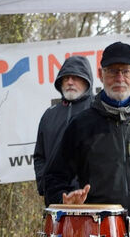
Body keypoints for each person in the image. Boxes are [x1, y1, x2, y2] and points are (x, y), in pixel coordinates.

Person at [41, 41, 130, 213]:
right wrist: (64, 201)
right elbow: (54, 178)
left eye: (126, 71)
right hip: (96, 228)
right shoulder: (80, 124)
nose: (119, 78)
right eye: (112, 71)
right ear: (100, 75)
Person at [32, 55, 94, 203]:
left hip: (90, 199)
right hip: (56, 200)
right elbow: (39, 156)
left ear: (87, 80)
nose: (70, 82)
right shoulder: (50, 114)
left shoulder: (97, 110)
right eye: (66, 78)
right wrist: (44, 185)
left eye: (75, 77)